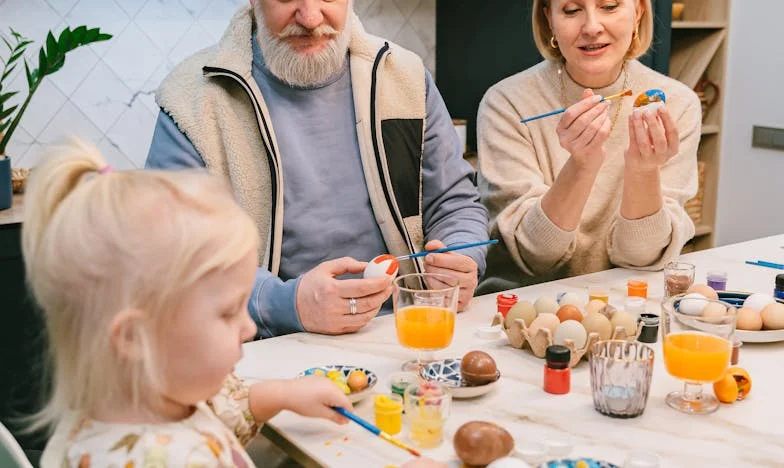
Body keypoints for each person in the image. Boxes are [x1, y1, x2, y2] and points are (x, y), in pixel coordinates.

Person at [146, 0, 489, 338]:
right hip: (267, 344)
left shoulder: (405, 77)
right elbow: (175, 256)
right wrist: (286, 304)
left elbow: (454, 203)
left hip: (405, 329)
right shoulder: (191, 99)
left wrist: (461, 256)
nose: (310, 17)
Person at [22, 139, 357, 467]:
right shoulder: (169, 459)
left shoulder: (143, 402)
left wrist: (284, 395)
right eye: (228, 313)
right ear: (134, 336)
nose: (248, 326)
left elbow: (219, 412)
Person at [476, 0, 700, 293]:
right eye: (571, 10)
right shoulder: (507, 104)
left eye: (609, 6)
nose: (592, 27)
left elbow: (642, 258)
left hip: (626, 305)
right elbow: (536, 256)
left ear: (639, 13)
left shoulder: (678, 104)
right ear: (549, 19)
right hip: (519, 307)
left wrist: (643, 170)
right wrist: (581, 165)